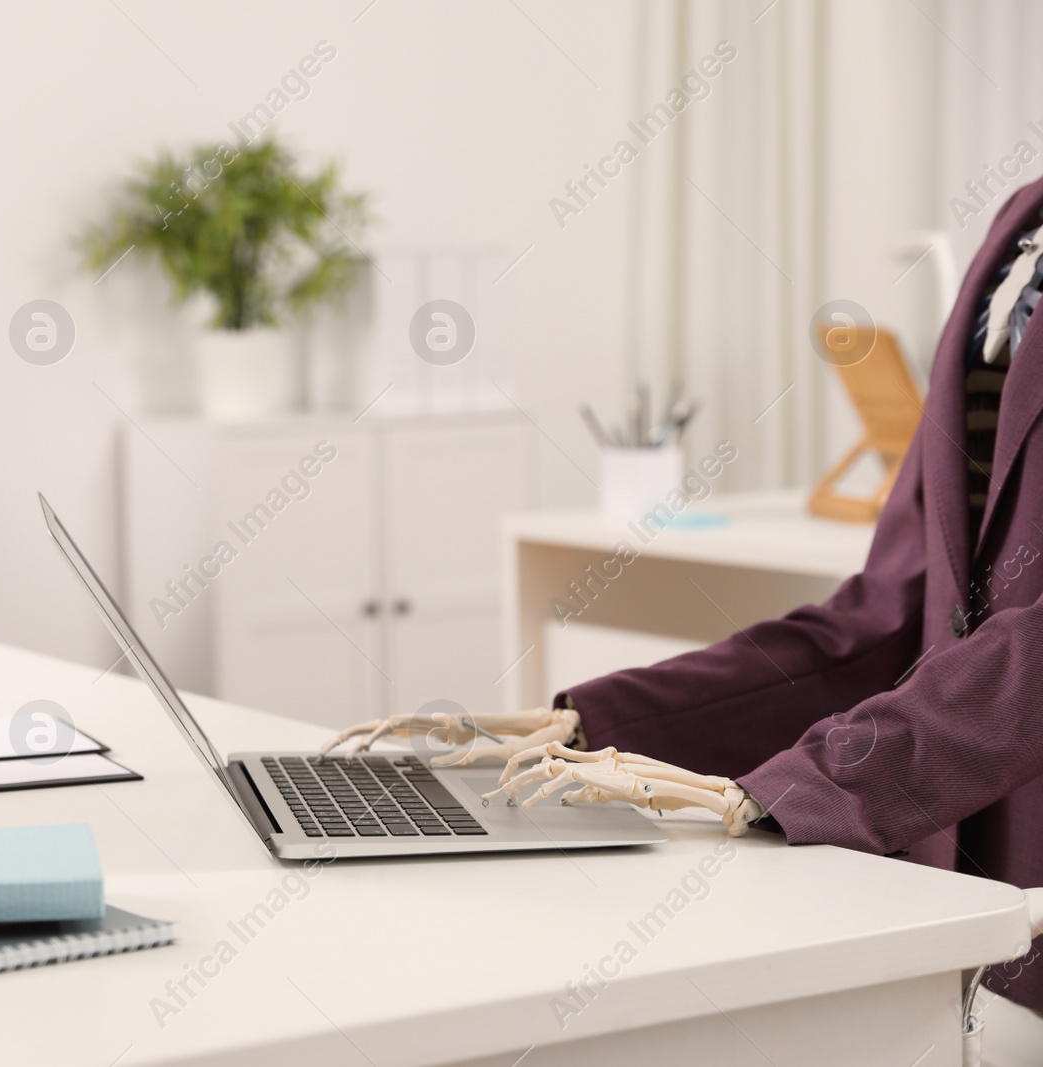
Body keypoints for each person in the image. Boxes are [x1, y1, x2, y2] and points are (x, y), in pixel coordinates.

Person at [327, 175, 1043, 1023]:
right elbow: (888, 613)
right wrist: (598, 723)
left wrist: (803, 784)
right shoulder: (1018, 219)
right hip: (966, 878)